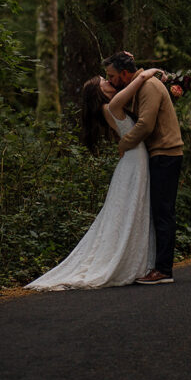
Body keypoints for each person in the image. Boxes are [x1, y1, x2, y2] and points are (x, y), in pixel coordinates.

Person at [25, 67, 163, 291]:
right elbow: (138, 82)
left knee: (131, 211)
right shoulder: (111, 106)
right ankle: (125, 260)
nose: (109, 82)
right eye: (104, 81)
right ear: (98, 92)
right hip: (133, 163)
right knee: (129, 211)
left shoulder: (109, 106)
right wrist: (149, 72)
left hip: (133, 161)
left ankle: (137, 259)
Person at [103, 50, 184, 285]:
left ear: (125, 74)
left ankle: (164, 270)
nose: (109, 81)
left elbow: (145, 125)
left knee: (163, 211)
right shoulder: (140, 86)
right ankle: (157, 266)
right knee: (159, 210)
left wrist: (124, 144)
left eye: (111, 76)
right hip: (159, 154)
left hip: (166, 154)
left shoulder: (149, 88)